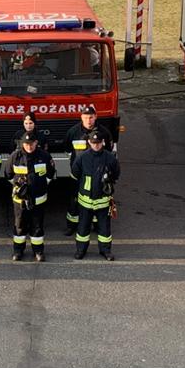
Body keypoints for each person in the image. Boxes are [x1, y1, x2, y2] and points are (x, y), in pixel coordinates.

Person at [70, 129, 121, 261]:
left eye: (98, 142)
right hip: (85, 200)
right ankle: (80, 250)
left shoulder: (110, 158)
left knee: (104, 229)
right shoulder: (82, 157)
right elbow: (75, 174)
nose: (96, 145)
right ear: (89, 142)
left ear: (103, 142)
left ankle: (105, 251)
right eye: (93, 143)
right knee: (83, 228)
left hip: (103, 200)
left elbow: (116, 174)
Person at [4, 133, 53, 262]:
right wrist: (19, 189)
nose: (29, 146)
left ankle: (38, 251)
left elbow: (51, 174)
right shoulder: (15, 156)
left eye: (31, 143)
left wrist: (41, 186)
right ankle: (18, 251)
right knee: (19, 225)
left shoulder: (44, 156)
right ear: (22, 144)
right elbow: (8, 175)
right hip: (20, 200)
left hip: (38, 198)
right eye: (26, 144)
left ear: (36, 143)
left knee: (37, 226)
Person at [64, 106, 108, 235]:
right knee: (74, 198)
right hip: (78, 173)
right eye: (85, 117)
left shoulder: (104, 132)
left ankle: (95, 225)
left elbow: (109, 152)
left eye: (91, 117)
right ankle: (72, 225)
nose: (88, 120)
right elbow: (67, 150)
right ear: (81, 117)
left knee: (96, 199)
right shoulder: (73, 132)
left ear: (96, 117)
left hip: (97, 174)